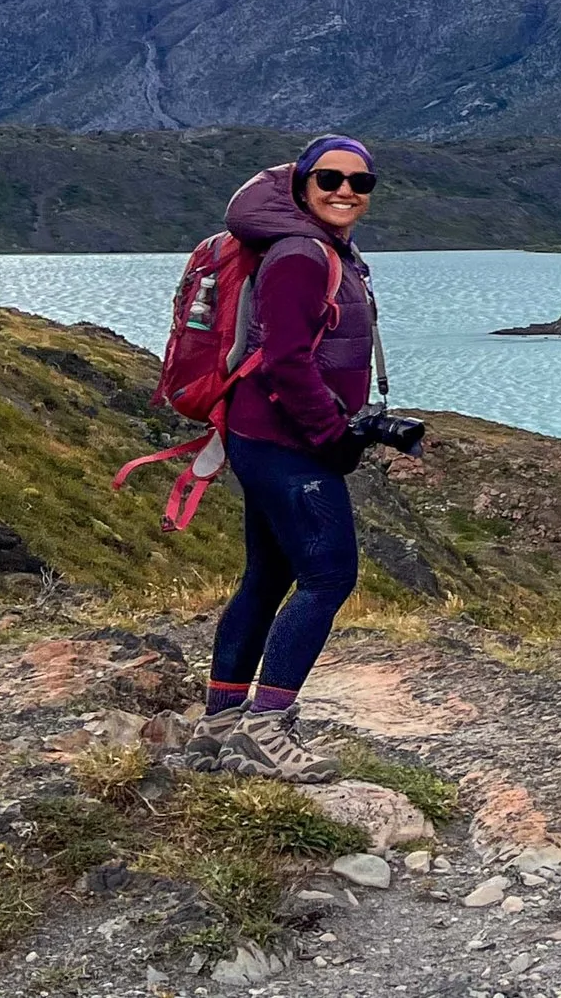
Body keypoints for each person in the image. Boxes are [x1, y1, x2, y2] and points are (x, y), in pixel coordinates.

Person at [189, 136, 383, 782]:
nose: (345, 190)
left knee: (267, 578)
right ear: (302, 184)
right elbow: (286, 360)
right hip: (286, 444)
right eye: (329, 177)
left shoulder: (322, 250)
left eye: (360, 181)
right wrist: (333, 435)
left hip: (265, 438)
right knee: (328, 577)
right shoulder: (302, 254)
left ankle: (218, 723)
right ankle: (266, 729)